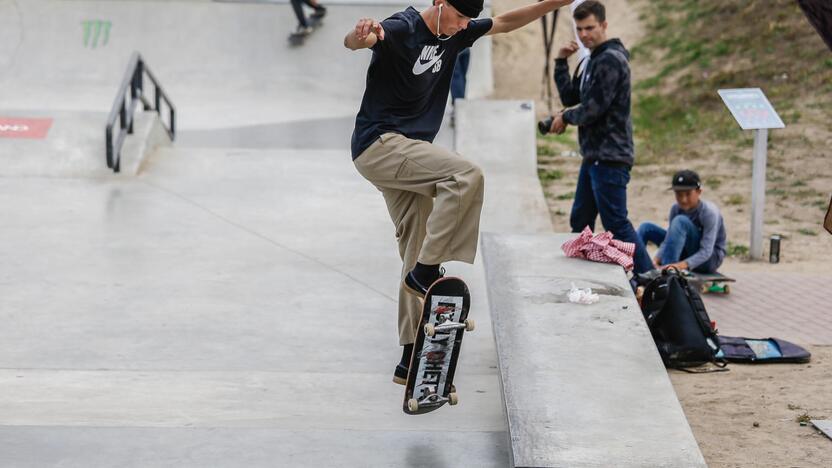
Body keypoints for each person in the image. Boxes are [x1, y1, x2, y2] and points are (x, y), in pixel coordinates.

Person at [345, 0, 574, 384]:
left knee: (415, 240)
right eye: (457, 17)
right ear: (439, 3)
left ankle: (409, 351)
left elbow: (505, 21)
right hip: (381, 145)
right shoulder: (403, 27)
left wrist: (553, 4)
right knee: (467, 175)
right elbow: (358, 41)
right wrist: (361, 34)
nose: (461, 27)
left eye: (467, 20)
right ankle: (428, 270)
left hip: (408, 157)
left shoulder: (460, 32)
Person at [549, 0, 653, 274]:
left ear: (604, 25)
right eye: (580, 29)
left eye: (590, 28)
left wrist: (564, 117)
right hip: (593, 156)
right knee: (580, 220)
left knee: (616, 223)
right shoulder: (591, 59)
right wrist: (561, 61)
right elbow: (572, 97)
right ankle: (585, 275)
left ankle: (650, 279)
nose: (584, 34)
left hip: (610, 156)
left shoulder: (610, 60)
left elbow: (593, 109)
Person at [637, 170, 727, 273]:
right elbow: (668, 240)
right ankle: (638, 268)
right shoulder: (676, 209)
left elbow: (706, 251)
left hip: (709, 259)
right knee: (646, 228)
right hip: (684, 252)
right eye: (679, 194)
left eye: (688, 194)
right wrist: (656, 260)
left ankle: (668, 276)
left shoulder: (709, 212)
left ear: (699, 192)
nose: (683, 199)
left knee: (680, 221)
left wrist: (678, 266)